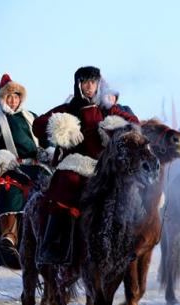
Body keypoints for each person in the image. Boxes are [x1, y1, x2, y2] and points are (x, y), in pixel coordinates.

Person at [32, 66, 139, 264]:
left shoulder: (107, 108)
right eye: (85, 82)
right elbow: (38, 124)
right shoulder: (70, 108)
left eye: (92, 82)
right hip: (76, 164)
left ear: (98, 84)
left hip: (103, 166)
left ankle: (126, 243)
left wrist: (116, 127)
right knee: (66, 182)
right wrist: (62, 127)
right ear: (79, 84)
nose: (89, 86)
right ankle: (54, 245)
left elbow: (134, 123)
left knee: (127, 190)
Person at [0, 74, 51, 269]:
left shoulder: (32, 117)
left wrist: (49, 150)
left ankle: (56, 235)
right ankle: (9, 236)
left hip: (37, 168)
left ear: (21, 98)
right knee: (10, 190)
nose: (13, 100)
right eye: (9, 96)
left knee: (56, 191)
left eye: (16, 96)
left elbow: (45, 139)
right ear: (2, 98)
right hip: (9, 169)